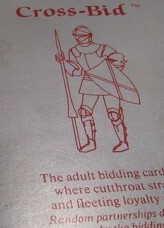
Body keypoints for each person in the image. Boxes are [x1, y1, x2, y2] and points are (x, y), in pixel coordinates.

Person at [55, 25, 139, 153]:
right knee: (84, 112)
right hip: (90, 82)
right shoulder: (74, 51)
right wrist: (63, 62)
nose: (79, 39)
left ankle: (123, 142)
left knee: (114, 113)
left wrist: (109, 69)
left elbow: (119, 60)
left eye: (81, 36)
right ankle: (91, 143)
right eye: (77, 36)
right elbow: (77, 71)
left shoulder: (102, 48)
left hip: (108, 82)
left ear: (89, 36)